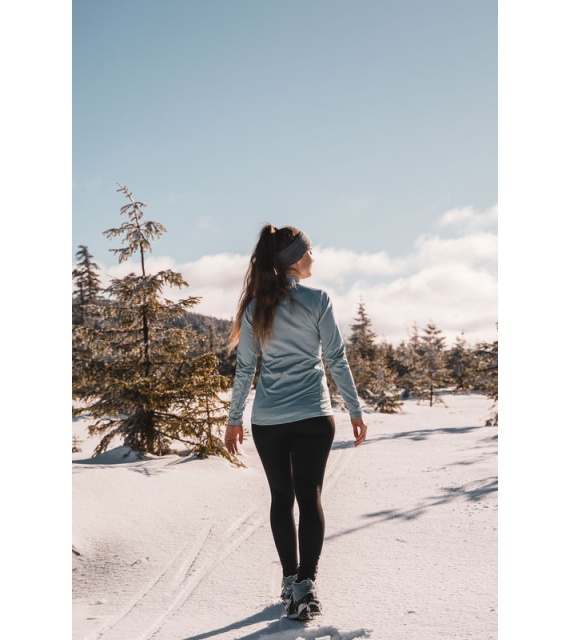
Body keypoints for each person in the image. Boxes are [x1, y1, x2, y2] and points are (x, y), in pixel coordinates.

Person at [225, 224, 367, 621]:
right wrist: (355, 409)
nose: (313, 258)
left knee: (281, 498)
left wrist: (234, 420)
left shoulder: (256, 307)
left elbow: (245, 369)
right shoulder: (317, 300)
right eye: (309, 251)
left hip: (268, 421)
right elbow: (335, 359)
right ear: (295, 259)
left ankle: (291, 581)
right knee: (309, 496)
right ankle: (304, 584)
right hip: (313, 417)